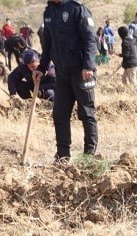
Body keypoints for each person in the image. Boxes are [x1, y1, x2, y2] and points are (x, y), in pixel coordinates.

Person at [39, 0, 97, 161]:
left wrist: (88, 66)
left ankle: (89, 155)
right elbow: (47, 46)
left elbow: (90, 40)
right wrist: (41, 68)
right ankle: (62, 155)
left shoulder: (78, 9)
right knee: (60, 114)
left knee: (86, 113)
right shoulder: (49, 13)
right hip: (62, 73)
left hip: (81, 71)